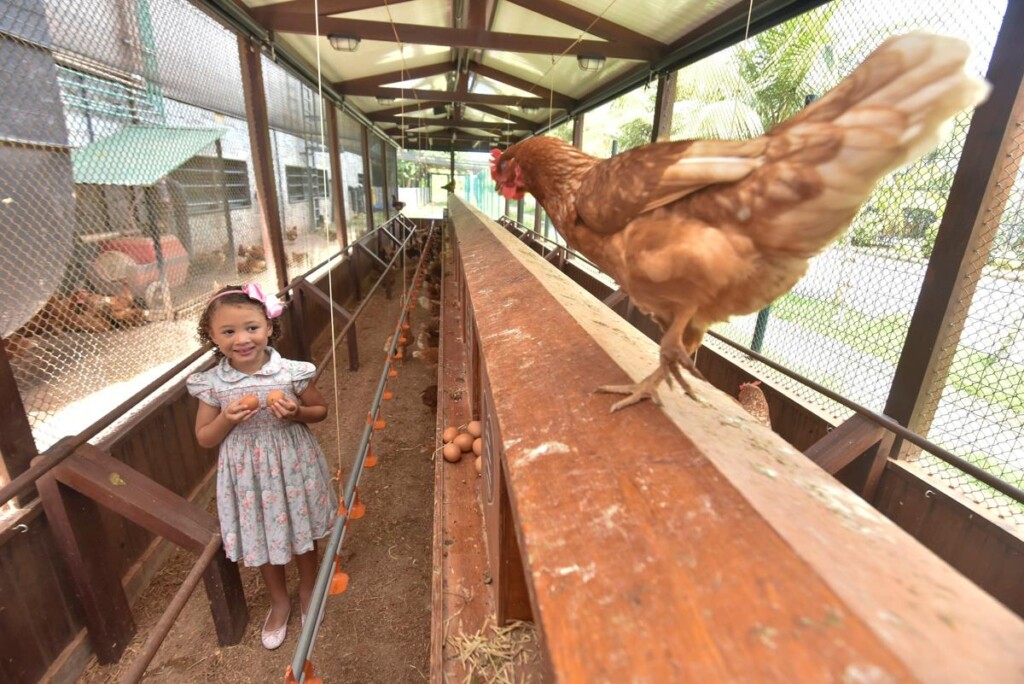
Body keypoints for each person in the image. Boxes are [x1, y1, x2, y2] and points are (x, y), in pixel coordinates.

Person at [187, 283, 337, 650]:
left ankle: (307, 588)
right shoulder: (213, 384)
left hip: (291, 462)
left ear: (269, 327)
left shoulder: (290, 372)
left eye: (251, 327)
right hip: (247, 474)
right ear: (212, 336)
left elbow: (320, 411)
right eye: (228, 331)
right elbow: (205, 437)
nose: (242, 339)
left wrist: (297, 412)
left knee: (300, 527)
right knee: (263, 534)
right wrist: (227, 419)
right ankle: (279, 600)